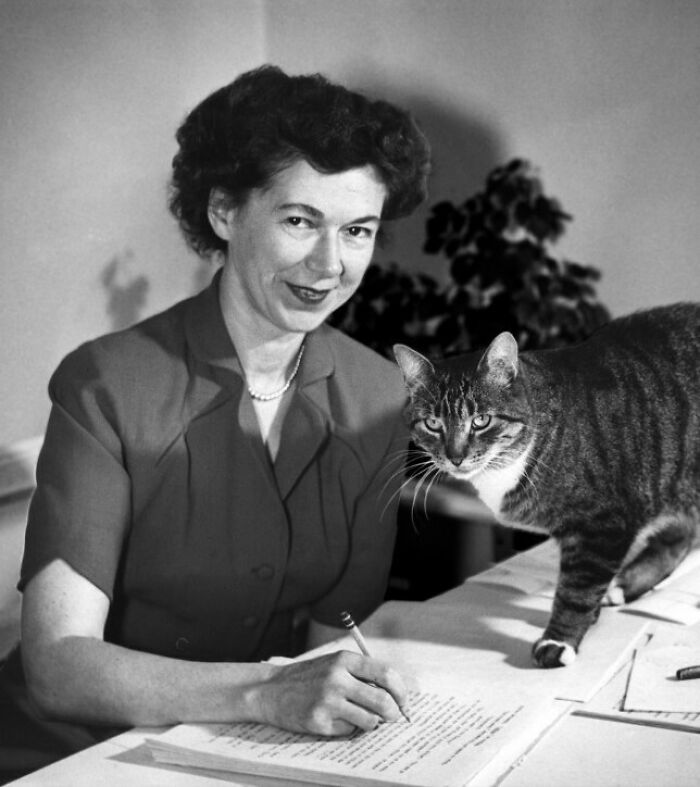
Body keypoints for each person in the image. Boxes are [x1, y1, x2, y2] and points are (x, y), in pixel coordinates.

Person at [0, 64, 431, 781]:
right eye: (300, 221)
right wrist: (266, 692)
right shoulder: (106, 384)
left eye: (358, 229)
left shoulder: (380, 395)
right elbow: (57, 665)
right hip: (67, 752)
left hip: (235, 753)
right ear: (224, 211)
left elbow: (332, 643)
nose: (330, 264)